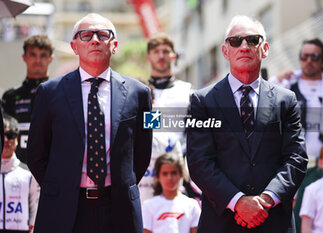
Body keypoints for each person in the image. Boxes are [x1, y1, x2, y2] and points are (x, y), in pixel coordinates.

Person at [26, 13, 152, 233]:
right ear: (75, 46)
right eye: (86, 35)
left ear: (114, 45)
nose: (95, 39)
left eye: (103, 34)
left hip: (118, 207)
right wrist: (59, 187)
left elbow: (143, 152)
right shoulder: (49, 92)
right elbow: (36, 153)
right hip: (63, 207)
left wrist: (122, 185)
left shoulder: (140, 93)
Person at [186, 15, 308, 233]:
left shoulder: (286, 100)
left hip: (273, 221)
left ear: (265, 48)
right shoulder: (202, 101)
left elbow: (296, 158)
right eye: (236, 41)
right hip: (222, 221)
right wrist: (238, 202)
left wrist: (266, 200)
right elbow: (199, 162)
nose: (244, 46)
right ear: (225, 51)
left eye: (252, 40)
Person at [269, 38, 323, 163]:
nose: (309, 60)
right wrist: (276, 80)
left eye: (315, 56)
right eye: (304, 56)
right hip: (294, 161)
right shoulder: (288, 88)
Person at [139, 33, 193, 204]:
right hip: (144, 177)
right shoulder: (140, 90)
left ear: (173, 56)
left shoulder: (187, 91)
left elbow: (193, 131)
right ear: (149, 57)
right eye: (156, 51)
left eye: (165, 51)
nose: (161, 56)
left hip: (175, 173)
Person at [2, 35, 54, 165]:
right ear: (24, 57)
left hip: (50, 169)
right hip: (16, 170)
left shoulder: (60, 93)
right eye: (32, 54)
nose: (37, 60)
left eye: (43, 55)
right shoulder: (10, 96)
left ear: (50, 59)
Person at [142, 153, 201, 233]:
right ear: (158, 176)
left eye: (173, 173)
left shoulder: (192, 205)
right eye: (165, 173)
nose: (169, 178)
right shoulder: (148, 206)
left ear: (181, 174)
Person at [0, 114, 39, 233]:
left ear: (17, 139)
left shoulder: (29, 174)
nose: (6, 140)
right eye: (3, 135)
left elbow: (35, 210)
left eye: (10, 135)